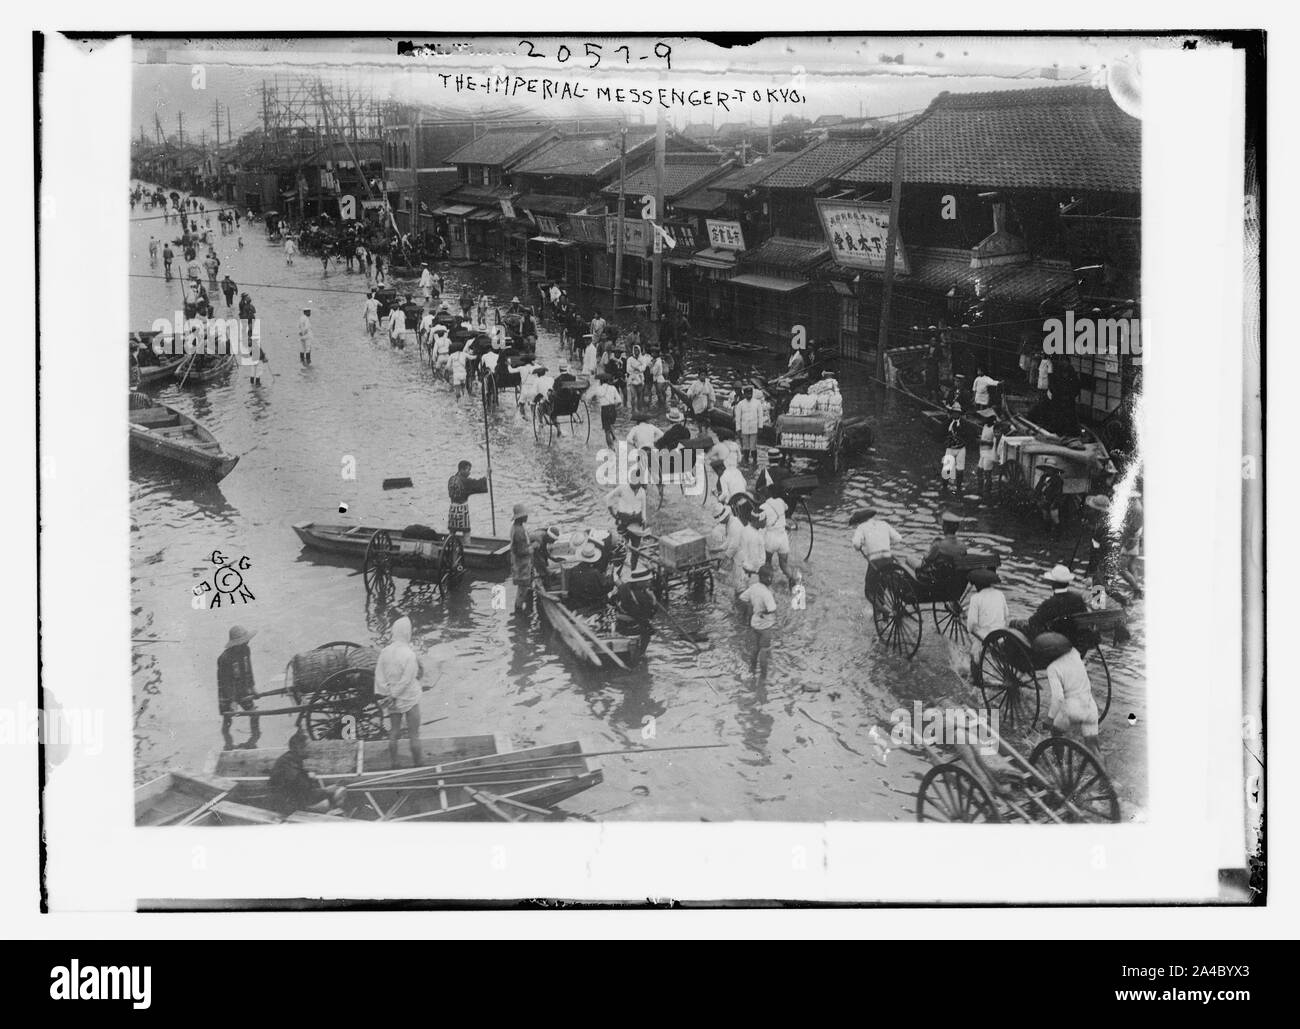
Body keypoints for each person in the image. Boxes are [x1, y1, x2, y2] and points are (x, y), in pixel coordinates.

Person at [1034, 632, 1104, 763]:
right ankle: (1105, 780)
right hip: (1090, 707)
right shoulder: (1074, 653)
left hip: (1072, 709)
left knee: (1056, 732)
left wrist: (1049, 719)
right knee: (1094, 747)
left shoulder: (1052, 668)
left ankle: (1059, 765)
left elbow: (1058, 698)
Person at [374, 615, 424, 768]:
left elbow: (379, 676)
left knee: (394, 732)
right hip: (409, 698)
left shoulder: (384, 652)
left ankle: (394, 763)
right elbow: (408, 679)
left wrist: (388, 694)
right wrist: (396, 693)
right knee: (414, 734)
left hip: (392, 700)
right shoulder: (409, 654)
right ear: (407, 633)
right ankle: (418, 764)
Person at [267, 732, 347, 815]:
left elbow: (302, 786)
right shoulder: (290, 767)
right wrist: (326, 791)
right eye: (309, 747)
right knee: (328, 803)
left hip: (289, 800)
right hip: (287, 808)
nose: (312, 749)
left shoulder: (289, 759)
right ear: (299, 748)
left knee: (330, 793)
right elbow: (305, 793)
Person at [217, 625, 260, 750]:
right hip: (227, 692)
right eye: (244, 641)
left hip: (242, 688)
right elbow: (225, 682)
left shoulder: (246, 650)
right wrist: (232, 701)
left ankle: (253, 741)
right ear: (236, 643)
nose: (247, 642)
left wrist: (252, 686)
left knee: (255, 714)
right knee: (228, 719)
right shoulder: (224, 659)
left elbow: (249, 669)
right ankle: (228, 744)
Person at [1024, 564, 1089, 642]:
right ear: (1067, 583)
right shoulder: (1078, 598)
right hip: (1074, 637)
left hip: (1055, 639)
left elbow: (1033, 622)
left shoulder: (1049, 604)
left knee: (1016, 623)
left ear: (1053, 584)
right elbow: (1084, 617)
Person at [965, 567, 1008, 680]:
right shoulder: (1000, 594)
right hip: (1001, 635)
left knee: (974, 652)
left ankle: (976, 682)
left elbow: (971, 625)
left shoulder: (976, 598)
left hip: (986, 637)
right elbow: (1006, 615)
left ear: (977, 585)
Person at [738, 565, 779, 678]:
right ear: (768, 579)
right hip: (765, 627)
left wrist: (752, 607)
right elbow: (772, 609)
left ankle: (752, 670)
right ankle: (763, 677)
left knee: (755, 648)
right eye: (771, 577)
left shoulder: (754, 587)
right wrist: (766, 612)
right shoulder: (767, 594)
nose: (772, 579)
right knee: (764, 651)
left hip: (755, 623)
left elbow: (742, 598)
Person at [850, 508, 918, 572]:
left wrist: (858, 547)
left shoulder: (861, 527)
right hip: (888, 558)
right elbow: (898, 538)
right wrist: (886, 543)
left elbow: (856, 543)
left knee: (870, 582)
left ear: (860, 521)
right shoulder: (884, 523)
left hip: (875, 561)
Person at [759, 489, 797, 587]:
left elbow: (761, 525)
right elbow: (786, 508)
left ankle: (769, 586)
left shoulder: (762, 507)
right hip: (783, 538)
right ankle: (794, 583)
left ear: (763, 497)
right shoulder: (780, 501)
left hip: (771, 538)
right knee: (784, 565)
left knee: (767, 564)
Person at [447, 460, 488, 536]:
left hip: (452, 510)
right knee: (466, 531)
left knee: (452, 532)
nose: (469, 472)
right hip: (462, 510)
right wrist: (487, 474)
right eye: (468, 470)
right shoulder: (465, 481)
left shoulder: (451, 479)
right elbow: (478, 484)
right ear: (462, 470)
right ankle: (467, 545)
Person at [566, 542, 609, 608]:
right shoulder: (595, 573)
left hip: (576, 599)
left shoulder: (574, 569)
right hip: (589, 602)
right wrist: (610, 578)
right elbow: (605, 587)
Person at [510, 504, 534, 613]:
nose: (527, 517)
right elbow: (520, 551)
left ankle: (520, 612)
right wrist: (531, 548)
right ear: (521, 517)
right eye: (525, 515)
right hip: (522, 565)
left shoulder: (516, 528)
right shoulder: (519, 531)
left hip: (519, 563)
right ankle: (519, 611)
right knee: (522, 590)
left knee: (523, 588)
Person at [1034, 458, 1066, 537]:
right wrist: (1039, 496)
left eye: (1050, 469)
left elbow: (1058, 493)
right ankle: (1047, 532)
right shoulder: (1043, 477)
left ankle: (1058, 534)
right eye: (1047, 469)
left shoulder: (1058, 480)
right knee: (1045, 515)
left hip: (1054, 500)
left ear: (1054, 470)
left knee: (1054, 516)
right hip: (1045, 499)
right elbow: (1038, 488)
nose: (1048, 470)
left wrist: (1054, 503)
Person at [941, 402, 966, 494]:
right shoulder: (947, 423)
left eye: (957, 412)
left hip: (960, 449)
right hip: (950, 448)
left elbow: (970, 436)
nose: (955, 414)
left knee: (960, 469)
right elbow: (941, 433)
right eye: (953, 412)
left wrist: (963, 440)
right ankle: (944, 487)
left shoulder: (964, 423)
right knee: (946, 468)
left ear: (960, 414)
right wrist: (945, 441)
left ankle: (958, 488)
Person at [734, 386, 762, 465]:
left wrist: (760, 427)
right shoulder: (740, 404)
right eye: (747, 393)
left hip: (754, 428)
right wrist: (738, 429)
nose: (749, 395)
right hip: (744, 428)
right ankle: (746, 460)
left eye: (750, 393)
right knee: (745, 446)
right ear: (745, 394)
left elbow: (760, 416)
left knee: (753, 446)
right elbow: (738, 417)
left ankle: (755, 461)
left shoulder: (757, 403)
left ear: (752, 394)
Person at [595, 373, 622, 448]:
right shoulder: (613, 388)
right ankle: (614, 438)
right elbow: (619, 401)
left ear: (600, 381)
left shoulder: (598, 389)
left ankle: (611, 448)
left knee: (606, 431)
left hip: (605, 410)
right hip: (613, 409)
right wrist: (615, 407)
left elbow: (593, 396)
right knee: (610, 424)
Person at [976, 414, 999, 497]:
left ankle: (987, 492)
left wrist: (983, 442)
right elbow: (983, 437)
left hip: (989, 453)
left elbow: (995, 442)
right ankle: (980, 490)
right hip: (982, 452)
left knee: (987, 473)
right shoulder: (985, 426)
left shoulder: (994, 428)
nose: (984, 420)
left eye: (986, 418)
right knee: (979, 471)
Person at [625, 345, 646, 411]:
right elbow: (628, 369)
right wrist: (636, 369)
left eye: (637, 350)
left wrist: (636, 368)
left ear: (640, 351)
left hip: (640, 378)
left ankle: (640, 408)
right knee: (633, 396)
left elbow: (643, 367)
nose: (636, 352)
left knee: (640, 395)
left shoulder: (642, 358)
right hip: (632, 378)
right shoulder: (630, 359)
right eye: (635, 350)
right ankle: (634, 409)